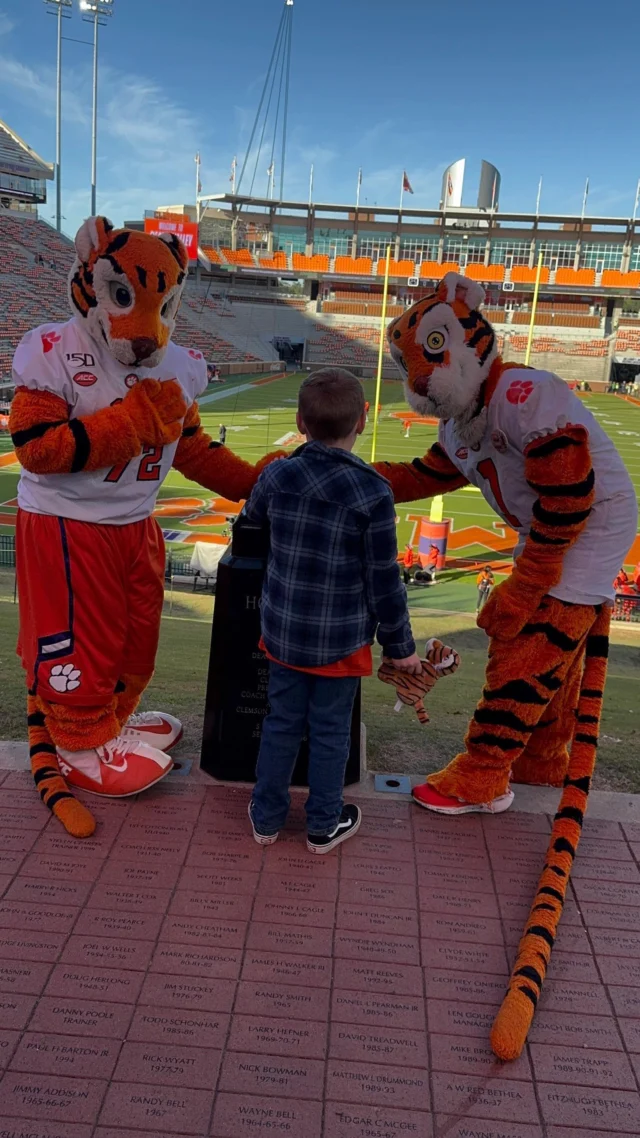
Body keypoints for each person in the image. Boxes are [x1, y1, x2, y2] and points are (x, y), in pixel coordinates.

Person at [244, 367, 420, 854]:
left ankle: (266, 817)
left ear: (300, 422)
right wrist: (401, 647)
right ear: (363, 420)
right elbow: (384, 580)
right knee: (329, 731)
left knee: (280, 722)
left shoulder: (278, 474)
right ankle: (322, 823)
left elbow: (251, 520)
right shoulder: (373, 492)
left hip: (282, 632)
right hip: (341, 640)